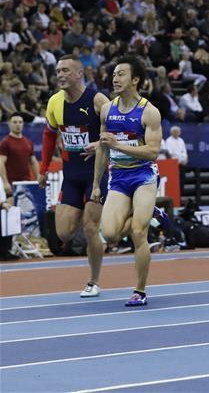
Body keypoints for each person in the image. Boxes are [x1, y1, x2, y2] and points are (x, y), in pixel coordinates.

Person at [87, 55, 163, 307]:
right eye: (114, 74)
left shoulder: (149, 112)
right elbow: (103, 148)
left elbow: (152, 151)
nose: (115, 79)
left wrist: (118, 145)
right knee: (109, 234)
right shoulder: (107, 110)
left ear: (135, 79)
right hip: (118, 177)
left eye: (121, 74)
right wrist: (96, 183)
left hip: (144, 175)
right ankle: (148, 213)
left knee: (139, 232)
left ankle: (139, 291)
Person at [37, 55, 110, 297]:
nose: (60, 75)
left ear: (80, 74)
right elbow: (49, 136)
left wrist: (100, 143)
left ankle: (93, 281)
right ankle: (101, 226)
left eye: (66, 70)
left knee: (90, 228)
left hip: (96, 175)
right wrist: (43, 169)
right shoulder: (54, 102)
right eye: (58, 71)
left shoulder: (98, 100)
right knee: (64, 233)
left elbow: (121, 131)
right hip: (71, 176)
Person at [0, 115, 40, 196]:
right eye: (15, 122)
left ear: (23, 124)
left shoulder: (28, 142)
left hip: (26, 183)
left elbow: (33, 162)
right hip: (11, 184)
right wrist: (5, 182)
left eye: (20, 122)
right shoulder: (5, 143)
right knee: (11, 204)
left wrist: (38, 178)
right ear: (9, 124)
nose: (18, 124)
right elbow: (1, 162)